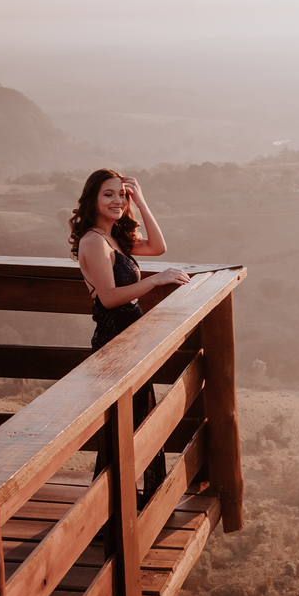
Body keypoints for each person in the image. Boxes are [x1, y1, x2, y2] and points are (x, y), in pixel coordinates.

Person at [69, 168, 190, 508]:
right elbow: (107, 297)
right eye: (108, 194)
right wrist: (154, 281)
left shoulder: (112, 238)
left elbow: (158, 246)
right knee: (122, 428)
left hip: (131, 338)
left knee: (137, 421)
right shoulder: (93, 241)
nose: (117, 201)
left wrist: (141, 200)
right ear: (92, 199)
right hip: (113, 340)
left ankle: (127, 504)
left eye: (121, 195)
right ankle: (106, 510)